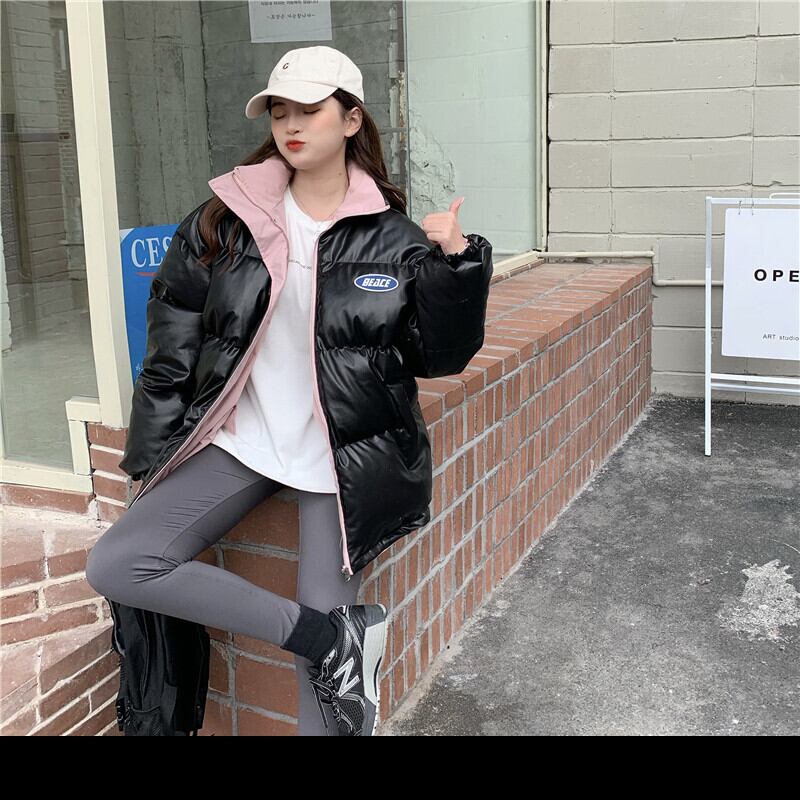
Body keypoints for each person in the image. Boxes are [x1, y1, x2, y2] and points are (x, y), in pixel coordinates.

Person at [86, 45, 493, 737]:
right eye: (279, 111)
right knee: (120, 562)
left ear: (351, 118)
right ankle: (330, 637)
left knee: (324, 705)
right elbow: (171, 348)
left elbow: (439, 357)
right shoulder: (224, 218)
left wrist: (457, 264)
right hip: (242, 440)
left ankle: (332, 647)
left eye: (309, 109)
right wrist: (152, 458)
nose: (291, 125)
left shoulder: (395, 238)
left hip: (340, 457)